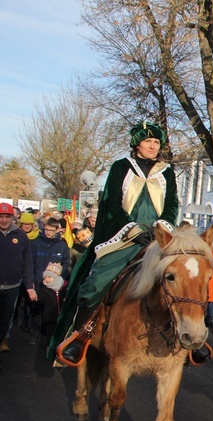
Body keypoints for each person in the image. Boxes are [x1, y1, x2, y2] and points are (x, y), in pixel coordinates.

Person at [50, 121, 179, 366]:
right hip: (123, 237)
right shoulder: (122, 167)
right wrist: (133, 231)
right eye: (148, 142)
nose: (152, 146)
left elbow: (172, 204)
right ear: (137, 144)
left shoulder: (167, 171)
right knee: (95, 284)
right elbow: (111, 204)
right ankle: (80, 337)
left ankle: (185, 340)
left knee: (183, 279)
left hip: (159, 238)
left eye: (156, 142)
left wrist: (161, 229)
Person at [0, 202, 37, 356]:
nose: (3, 220)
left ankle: (2, 343)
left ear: (12, 217)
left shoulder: (20, 236)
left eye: (7, 216)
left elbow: (27, 262)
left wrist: (29, 286)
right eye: (1, 216)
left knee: (5, 321)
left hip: (12, 286)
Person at [32, 262, 67, 346]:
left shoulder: (64, 287)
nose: (47, 280)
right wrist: (35, 296)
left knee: (61, 332)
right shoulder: (45, 289)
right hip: (50, 316)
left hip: (62, 315)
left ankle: (60, 346)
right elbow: (40, 297)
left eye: (49, 277)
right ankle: (49, 347)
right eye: (45, 278)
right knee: (50, 333)